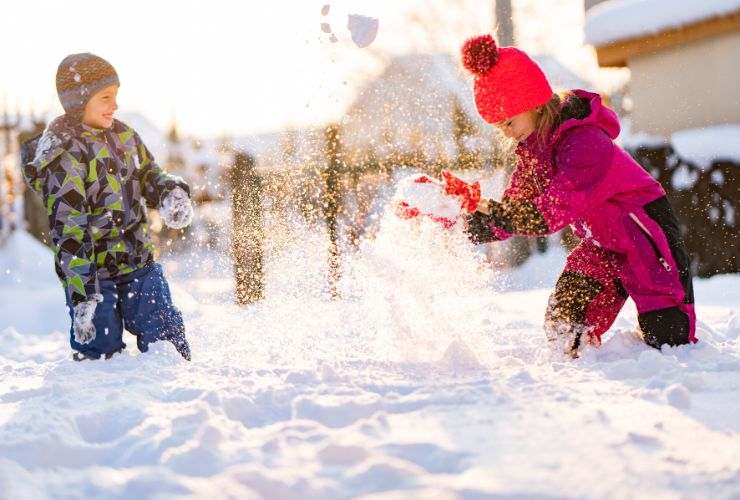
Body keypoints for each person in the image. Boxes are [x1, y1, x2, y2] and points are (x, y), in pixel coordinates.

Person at [461, 35, 696, 356]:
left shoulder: (584, 142)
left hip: (645, 239)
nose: (506, 131)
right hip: (602, 247)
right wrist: (471, 222)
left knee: (669, 339)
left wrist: (501, 214)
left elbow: (553, 210)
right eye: (499, 127)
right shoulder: (534, 153)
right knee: (564, 326)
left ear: (530, 102)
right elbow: (515, 207)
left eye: (508, 122)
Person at [21, 53, 194, 361]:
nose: (115, 105)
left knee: (166, 339)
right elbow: (69, 230)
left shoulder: (124, 136)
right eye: (106, 97)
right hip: (94, 278)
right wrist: (82, 295)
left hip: (138, 261)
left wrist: (168, 192)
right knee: (100, 352)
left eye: (116, 96)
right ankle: (103, 401)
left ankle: (174, 392)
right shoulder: (65, 156)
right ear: (78, 102)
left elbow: (147, 174)